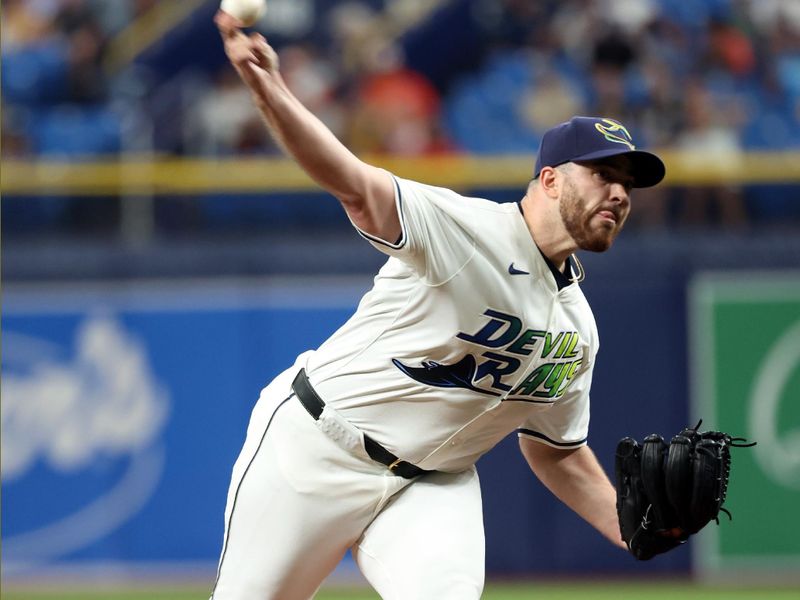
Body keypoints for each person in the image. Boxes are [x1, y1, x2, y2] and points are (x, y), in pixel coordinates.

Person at [211, 11, 666, 600]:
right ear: (549, 180)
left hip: (431, 486)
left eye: (629, 184)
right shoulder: (468, 231)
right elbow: (352, 181)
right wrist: (269, 91)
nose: (620, 193)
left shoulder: (577, 329)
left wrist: (631, 528)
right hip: (317, 448)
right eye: (604, 173)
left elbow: (557, 451)